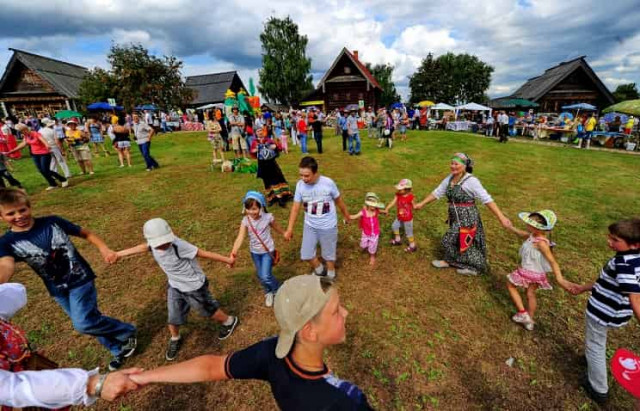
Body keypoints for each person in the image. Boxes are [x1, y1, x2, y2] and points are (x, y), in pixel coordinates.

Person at [125, 274, 373, 410]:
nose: (346, 313)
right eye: (336, 311)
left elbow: (212, 366)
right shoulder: (345, 400)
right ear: (309, 331)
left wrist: (144, 377)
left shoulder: (272, 352)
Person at [0, 188, 137, 371]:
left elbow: (85, 233)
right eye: (11, 213)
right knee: (90, 321)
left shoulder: (52, 222)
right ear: (1, 217)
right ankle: (117, 349)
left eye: (22, 210)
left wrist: (104, 248)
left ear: (29, 207)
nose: (19, 216)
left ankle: (126, 332)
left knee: (83, 323)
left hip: (80, 278)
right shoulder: (6, 242)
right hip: (57, 289)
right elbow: (6, 265)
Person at [114, 218, 238, 361]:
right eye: (159, 243)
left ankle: (229, 321)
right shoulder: (152, 245)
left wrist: (228, 260)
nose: (163, 245)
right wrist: (119, 254)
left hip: (194, 287)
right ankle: (175, 338)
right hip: (175, 285)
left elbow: (204, 253)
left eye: (165, 241)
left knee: (207, 310)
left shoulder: (179, 246)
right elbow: (142, 247)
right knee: (173, 315)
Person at [0, 283, 142, 408]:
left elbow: (17, 294)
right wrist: (89, 384)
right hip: (26, 396)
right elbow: (10, 388)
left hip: (38, 388)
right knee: (84, 323)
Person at [570, 218, 640, 405]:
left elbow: (635, 297)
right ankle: (590, 358)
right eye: (609, 237)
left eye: (615, 240)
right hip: (615, 313)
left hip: (602, 313)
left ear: (634, 245)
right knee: (595, 342)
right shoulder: (635, 260)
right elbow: (606, 280)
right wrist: (583, 287)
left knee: (595, 345)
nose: (609, 242)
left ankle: (598, 388)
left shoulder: (623, 264)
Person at [415, 153, 512, 275]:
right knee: (459, 241)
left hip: (467, 217)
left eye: (456, 164)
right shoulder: (450, 178)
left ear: (465, 166)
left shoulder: (471, 181)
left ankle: (475, 266)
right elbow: (437, 192)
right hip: (455, 217)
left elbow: (487, 199)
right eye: (452, 163)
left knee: (450, 240)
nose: (453, 166)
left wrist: (501, 217)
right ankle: (449, 261)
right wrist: (422, 203)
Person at [505, 210, 577, 331]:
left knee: (510, 284)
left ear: (538, 228)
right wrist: (510, 227)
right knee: (530, 294)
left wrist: (560, 279)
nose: (526, 225)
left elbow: (553, 261)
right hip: (538, 275)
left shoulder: (541, 243)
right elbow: (522, 234)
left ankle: (523, 313)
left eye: (529, 224)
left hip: (528, 271)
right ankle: (530, 320)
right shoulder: (533, 236)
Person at [284, 156, 351, 280]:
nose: (303, 179)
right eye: (301, 175)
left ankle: (331, 273)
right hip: (310, 226)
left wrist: (346, 215)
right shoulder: (300, 186)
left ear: (315, 173)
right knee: (306, 254)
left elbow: (339, 201)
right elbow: (295, 208)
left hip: (328, 226)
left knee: (328, 254)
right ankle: (319, 269)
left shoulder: (328, 183)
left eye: (307, 176)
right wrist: (289, 229)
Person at [230, 191, 286, 307]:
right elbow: (240, 237)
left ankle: (278, 289)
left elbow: (276, 227)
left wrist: (284, 233)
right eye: (248, 209)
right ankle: (268, 292)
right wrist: (234, 252)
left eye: (254, 209)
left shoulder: (268, 218)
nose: (251, 212)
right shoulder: (246, 220)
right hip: (254, 252)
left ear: (261, 207)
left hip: (267, 251)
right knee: (261, 275)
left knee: (265, 275)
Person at [7, 124, 68, 190]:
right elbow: (23, 144)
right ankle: (53, 184)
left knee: (45, 170)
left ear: (26, 129)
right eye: (21, 132)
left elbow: (43, 140)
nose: (22, 133)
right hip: (35, 155)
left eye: (23, 131)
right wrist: (12, 151)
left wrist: (47, 145)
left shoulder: (36, 134)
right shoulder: (26, 136)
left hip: (44, 153)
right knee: (41, 170)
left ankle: (63, 179)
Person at [250, 130, 293, 206]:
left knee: (276, 180)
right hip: (262, 164)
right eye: (258, 131)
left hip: (271, 164)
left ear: (263, 132)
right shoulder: (255, 142)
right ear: (256, 133)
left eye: (261, 131)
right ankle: (272, 198)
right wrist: (255, 150)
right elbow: (252, 151)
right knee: (266, 181)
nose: (260, 132)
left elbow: (279, 147)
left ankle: (281, 198)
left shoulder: (268, 140)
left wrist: (275, 146)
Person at [347, 192, 385, 266]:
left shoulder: (376, 211)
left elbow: (381, 211)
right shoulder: (363, 212)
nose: (373, 206)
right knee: (363, 245)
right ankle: (366, 246)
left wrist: (385, 212)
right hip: (366, 232)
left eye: (375, 204)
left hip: (374, 233)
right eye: (372, 204)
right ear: (367, 204)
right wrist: (348, 216)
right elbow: (354, 216)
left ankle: (372, 256)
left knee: (373, 246)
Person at [385, 179, 418, 252]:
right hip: (400, 217)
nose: (398, 190)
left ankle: (413, 246)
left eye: (400, 189)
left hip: (408, 219)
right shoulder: (398, 195)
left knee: (408, 233)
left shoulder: (410, 197)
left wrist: (417, 206)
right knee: (394, 226)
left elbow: (414, 205)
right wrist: (387, 208)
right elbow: (393, 202)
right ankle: (398, 240)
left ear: (407, 190)